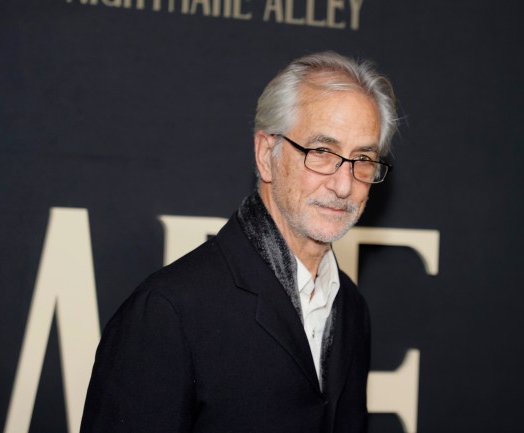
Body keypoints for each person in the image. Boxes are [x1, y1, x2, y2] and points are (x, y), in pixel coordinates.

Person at [80, 51, 398, 433]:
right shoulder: (170, 310)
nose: (343, 184)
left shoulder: (350, 307)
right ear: (266, 155)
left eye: (362, 158)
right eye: (322, 152)